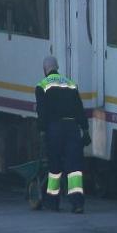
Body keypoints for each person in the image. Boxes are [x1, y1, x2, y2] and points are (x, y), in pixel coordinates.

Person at [33, 55, 89, 213]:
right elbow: (79, 109)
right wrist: (85, 130)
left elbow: (42, 112)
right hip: (72, 128)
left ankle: (52, 202)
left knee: (55, 167)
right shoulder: (70, 84)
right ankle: (78, 204)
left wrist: (42, 131)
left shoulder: (42, 86)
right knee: (74, 168)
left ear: (45, 69)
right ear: (57, 67)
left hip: (54, 129)